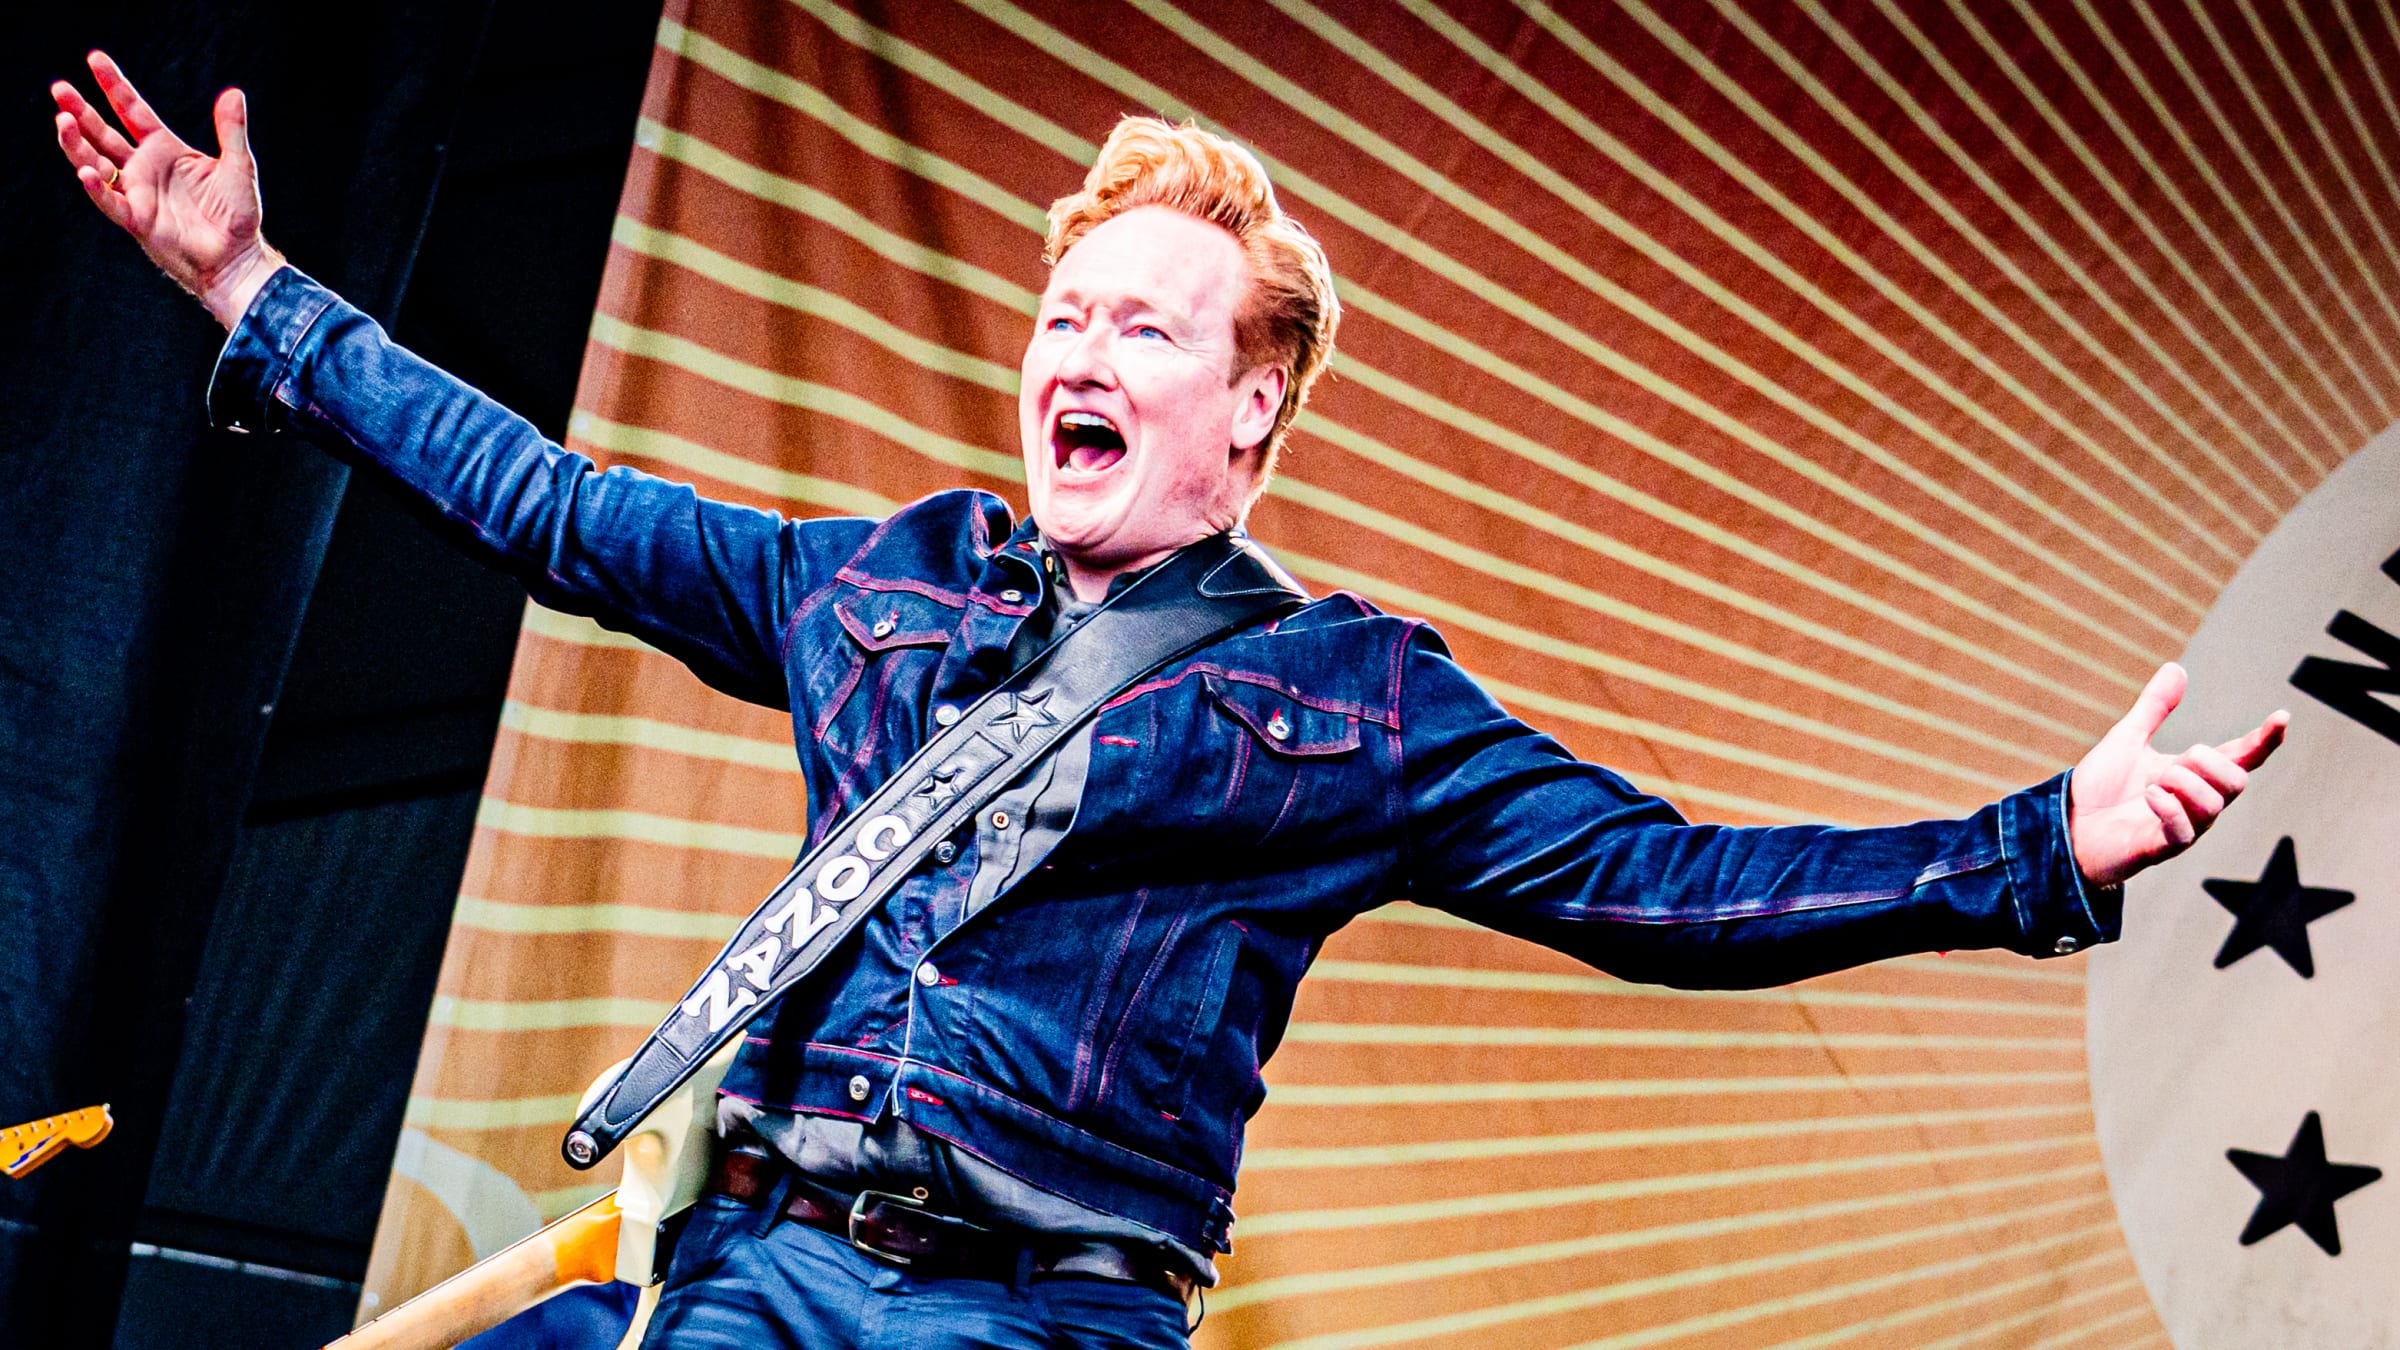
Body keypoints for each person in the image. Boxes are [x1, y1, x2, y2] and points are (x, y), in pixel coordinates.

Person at [54, 50, 2285, 1350]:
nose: (1077, 356)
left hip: (1032, 1318)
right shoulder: (880, 585)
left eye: (1141, 330)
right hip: (753, 1274)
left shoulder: (1353, 698)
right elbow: (551, 504)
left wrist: (2033, 851)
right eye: (1062, 315)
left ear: (1254, 414)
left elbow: (1666, 889)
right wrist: (253, 286)